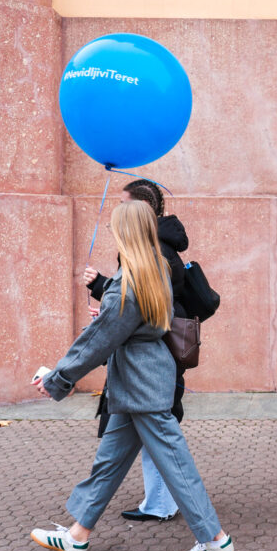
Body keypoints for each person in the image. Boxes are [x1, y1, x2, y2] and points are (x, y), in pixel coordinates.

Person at [30, 200, 234, 551]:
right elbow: (124, 326)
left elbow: (99, 340)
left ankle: (214, 539)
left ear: (126, 232)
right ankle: (77, 537)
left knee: (176, 465)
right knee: (108, 463)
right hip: (144, 380)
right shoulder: (155, 267)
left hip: (141, 385)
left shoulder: (130, 279)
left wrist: (58, 379)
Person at [83, 179, 189, 522]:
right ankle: (84, 526)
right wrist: (108, 302)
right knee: (143, 438)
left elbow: (149, 304)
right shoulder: (154, 248)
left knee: (157, 437)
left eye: (123, 204)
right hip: (148, 362)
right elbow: (140, 304)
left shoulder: (156, 252)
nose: (117, 211)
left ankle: (181, 514)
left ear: (140, 209)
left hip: (149, 363)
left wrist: (102, 288)